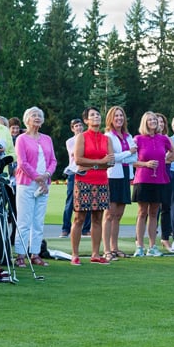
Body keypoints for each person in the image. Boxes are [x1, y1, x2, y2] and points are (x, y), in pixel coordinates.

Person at [70, 106, 115, 266]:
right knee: (79, 218)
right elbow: (78, 160)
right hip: (83, 181)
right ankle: (75, 254)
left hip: (101, 181)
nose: (96, 117)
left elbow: (110, 161)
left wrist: (95, 165)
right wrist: (98, 163)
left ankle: (95, 254)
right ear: (86, 120)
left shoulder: (106, 139)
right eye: (92, 115)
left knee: (97, 218)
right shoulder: (82, 137)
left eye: (97, 115)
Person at [13, 106, 57, 268]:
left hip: (44, 184)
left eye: (39, 115)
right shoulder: (21, 139)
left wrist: (46, 175)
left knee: (38, 221)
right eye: (33, 115)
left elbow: (53, 161)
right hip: (26, 183)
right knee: (24, 221)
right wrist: (37, 178)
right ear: (27, 120)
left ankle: (35, 253)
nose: (37, 118)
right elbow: (22, 162)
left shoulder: (47, 139)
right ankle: (20, 255)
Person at [131, 111, 174, 257]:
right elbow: (130, 160)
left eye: (154, 119)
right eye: (150, 119)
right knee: (142, 212)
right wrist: (145, 164)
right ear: (144, 122)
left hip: (160, 179)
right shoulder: (138, 139)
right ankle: (139, 246)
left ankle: (152, 246)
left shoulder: (163, 138)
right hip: (143, 179)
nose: (153, 121)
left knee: (154, 212)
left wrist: (165, 159)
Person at [102, 106, 137, 261]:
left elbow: (133, 159)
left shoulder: (128, 136)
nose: (119, 118)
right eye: (116, 116)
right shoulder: (108, 136)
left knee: (118, 215)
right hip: (112, 176)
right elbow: (111, 158)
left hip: (125, 175)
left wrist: (125, 156)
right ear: (111, 118)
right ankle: (107, 249)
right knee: (109, 214)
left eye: (121, 116)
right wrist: (128, 153)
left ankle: (115, 247)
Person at [60, 118, 91, 238]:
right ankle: (65, 228)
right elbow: (76, 154)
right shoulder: (70, 141)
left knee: (87, 200)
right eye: (76, 126)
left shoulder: (87, 138)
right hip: (74, 171)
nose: (78, 128)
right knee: (70, 201)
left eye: (80, 125)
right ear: (72, 129)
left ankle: (86, 228)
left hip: (86, 170)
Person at [155, 112, 174, 251]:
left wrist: (164, 159)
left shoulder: (167, 139)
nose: (160, 124)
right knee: (150, 210)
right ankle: (144, 240)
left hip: (166, 175)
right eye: (158, 121)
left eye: (162, 122)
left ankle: (165, 238)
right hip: (152, 176)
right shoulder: (148, 138)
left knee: (166, 208)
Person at [7, 116, 22, 189]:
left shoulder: (21, 139)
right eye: (13, 128)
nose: (15, 130)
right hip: (10, 171)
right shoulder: (6, 139)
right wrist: (12, 170)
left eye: (17, 128)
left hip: (19, 170)